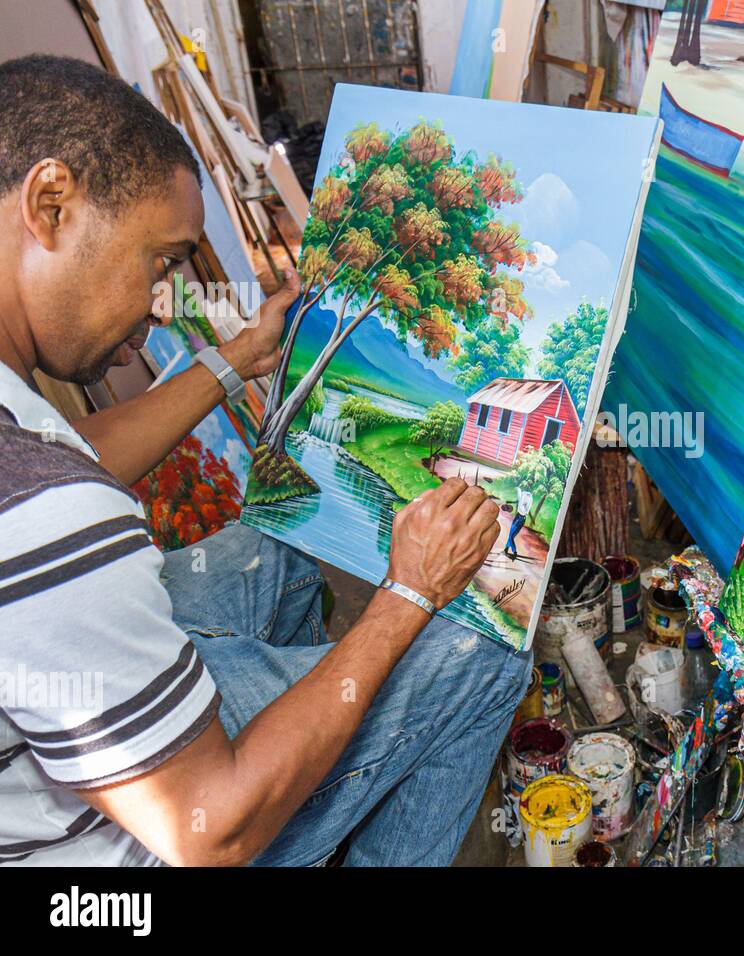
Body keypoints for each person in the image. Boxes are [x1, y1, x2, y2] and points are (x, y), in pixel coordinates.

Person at [0, 54, 530, 866]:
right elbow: (208, 831)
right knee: (485, 650)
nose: (159, 301)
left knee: (273, 548)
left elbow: (76, 457)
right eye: (159, 263)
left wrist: (239, 358)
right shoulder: (46, 515)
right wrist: (407, 594)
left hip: (54, 748)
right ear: (50, 204)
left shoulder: (23, 448)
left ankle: (313, 751)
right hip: (126, 850)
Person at [504, 487, 533, 561]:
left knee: (511, 535)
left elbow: (524, 507)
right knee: (512, 535)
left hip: (519, 518)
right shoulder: (529, 496)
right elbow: (522, 504)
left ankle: (514, 552)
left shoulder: (525, 495)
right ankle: (506, 549)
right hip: (521, 518)